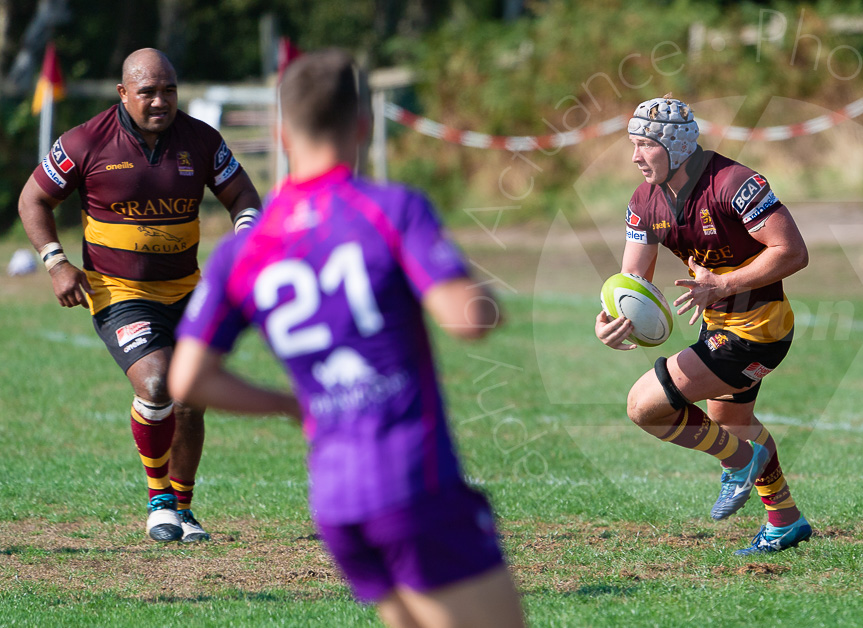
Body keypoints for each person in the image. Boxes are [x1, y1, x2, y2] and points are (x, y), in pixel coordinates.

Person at [168, 50, 526, 625]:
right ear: (362, 125)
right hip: (413, 483)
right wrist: (482, 294)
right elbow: (467, 319)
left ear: (282, 134)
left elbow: (186, 378)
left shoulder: (243, 249)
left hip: (336, 502)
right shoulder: (390, 209)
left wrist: (290, 404)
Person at [16, 48, 262, 543]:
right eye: (147, 91)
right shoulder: (86, 140)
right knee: (155, 386)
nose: (159, 100)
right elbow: (34, 198)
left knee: (191, 398)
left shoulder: (200, 139)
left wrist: (245, 237)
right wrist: (55, 261)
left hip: (189, 291)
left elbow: (242, 195)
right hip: (118, 290)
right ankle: (159, 501)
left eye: (168, 89)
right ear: (123, 93)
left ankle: (185, 510)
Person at [596, 96, 812, 555]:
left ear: (674, 146)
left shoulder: (736, 183)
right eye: (632, 146)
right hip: (718, 327)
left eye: (643, 146)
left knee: (644, 407)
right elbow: (630, 283)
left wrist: (725, 283)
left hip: (760, 329)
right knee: (733, 423)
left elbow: (793, 251)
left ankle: (739, 460)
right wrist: (612, 322)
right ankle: (785, 521)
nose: (635, 157)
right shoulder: (643, 200)